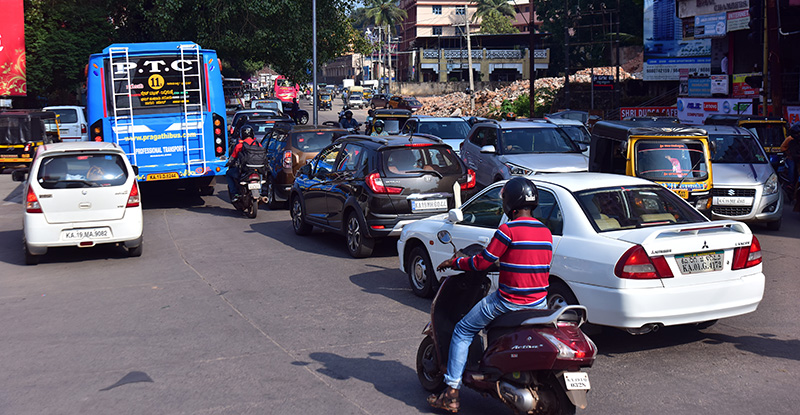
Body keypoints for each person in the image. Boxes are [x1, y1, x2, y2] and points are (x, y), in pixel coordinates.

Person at [428, 177, 553, 413]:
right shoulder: (545, 232)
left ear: (510, 202)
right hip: (539, 303)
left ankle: (451, 392)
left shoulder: (508, 230)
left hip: (509, 302)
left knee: (463, 330)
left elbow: (482, 262)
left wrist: (457, 262)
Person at [226, 124, 260, 201]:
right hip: (257, 170)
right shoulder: (258, 144)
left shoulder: (239, 145)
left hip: (244, 170)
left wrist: (228, 163)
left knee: (228, 173)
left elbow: (232, 158)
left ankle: (234, 194)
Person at [780, 122, 800, 211]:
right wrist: (790, 154)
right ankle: (791, 184)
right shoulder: (790, 140)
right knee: (792, 168)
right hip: (792, 158)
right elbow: (783, 148)